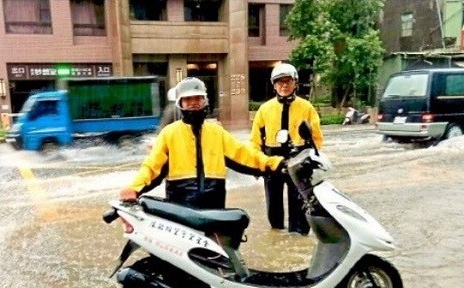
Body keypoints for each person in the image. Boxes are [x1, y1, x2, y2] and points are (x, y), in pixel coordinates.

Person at [120, 77, 285, 209]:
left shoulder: (217, 132)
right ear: (180, 103)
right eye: (188, 99)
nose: (193, 102)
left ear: (205, 101)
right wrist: (134, 188)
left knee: (218, 248)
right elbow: (151, 167)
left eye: (198, 98)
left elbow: (244, 155)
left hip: (214, 208)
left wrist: (275, 163)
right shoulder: (169, 134)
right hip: (180, 209)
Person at [250, 63, 324, 235]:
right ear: (274, 85)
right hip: (272, 161)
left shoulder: (306, 108)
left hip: (298, 162)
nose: (283, 85)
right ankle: (276, 234)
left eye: (287, 81)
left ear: (295, 83)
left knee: (299, 207)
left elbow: (317, 139)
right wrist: (257, 163)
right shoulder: (265, 109)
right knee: (273, 207)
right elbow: (254, 141)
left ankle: (298, 235)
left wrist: (310, 160)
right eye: (279, 82)